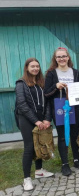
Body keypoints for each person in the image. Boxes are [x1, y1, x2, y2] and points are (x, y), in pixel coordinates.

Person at [44, 47, 79, 176]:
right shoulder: (51, 73)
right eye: (59, 57)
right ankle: (65, 164)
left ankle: (76, 159)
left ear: (68, 57)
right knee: (63, 137)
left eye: (64, 56)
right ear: (55, 59)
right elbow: (46, 93)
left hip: (76, 107)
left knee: (74, 135)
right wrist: (55, 86)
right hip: (59, 109)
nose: (62, 59)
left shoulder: (75, 72)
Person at [15, 58, 54, 191]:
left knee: (41, 143)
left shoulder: (41, 83)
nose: (35, 69)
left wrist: (47, 119)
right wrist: (36, 121)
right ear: (27, 68)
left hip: (41, 118)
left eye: (37, 66)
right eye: (32, 66)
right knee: (30, 147)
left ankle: (39, 170)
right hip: (26, 119)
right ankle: (26, 179)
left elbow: (47, 102)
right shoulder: (21, 83)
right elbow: (22, 104)